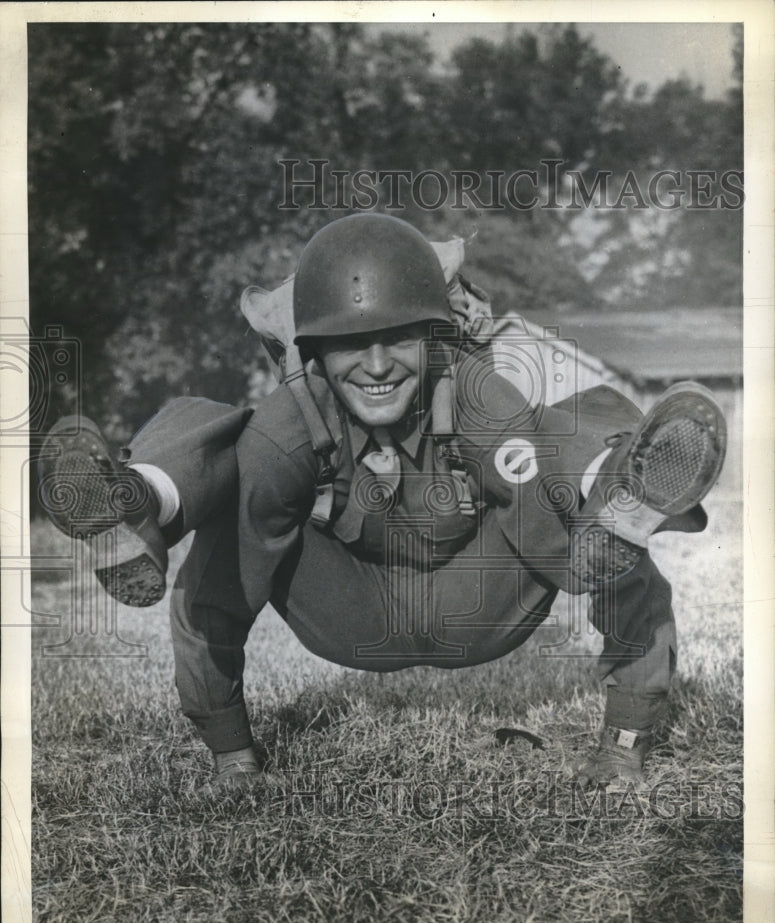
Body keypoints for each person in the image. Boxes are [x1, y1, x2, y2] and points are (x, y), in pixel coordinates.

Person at [38, 213, 726, 790]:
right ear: (313, 351)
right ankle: (141, 501)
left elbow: (561, 545)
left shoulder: (477, 392)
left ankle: (612, 481)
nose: (373, 365)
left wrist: (623, 737)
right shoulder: (291, 419)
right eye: (346, 343)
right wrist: (233, 757)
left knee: (583, 482)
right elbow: (218, 591)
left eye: (396, 336)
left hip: (481, 607)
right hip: (346, 609)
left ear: (433, 338)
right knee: (228, 437)